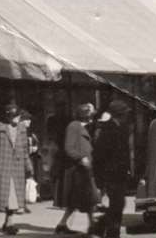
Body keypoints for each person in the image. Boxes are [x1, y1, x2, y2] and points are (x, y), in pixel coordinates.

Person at [0, 103, 33, 236]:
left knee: (14, 196)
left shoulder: (22, 129)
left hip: (18, 166)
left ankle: (8, 222)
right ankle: (9, 223)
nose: (16, 119)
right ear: (8, 116)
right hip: (4, 165)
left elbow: (25, 150)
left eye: (17, 116)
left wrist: (29, 166)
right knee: (8, 195)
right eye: (14, 116)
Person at [92, 100, 133, 238]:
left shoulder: (119, 127)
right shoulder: (109, 130)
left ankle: (103, 226)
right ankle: (111, 233)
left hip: (119, 174)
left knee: (119, 203)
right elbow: (99, 155)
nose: (127, 116)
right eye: (125, 114)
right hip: (112, 174)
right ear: (119, 114)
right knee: (118, 204)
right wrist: (100, 178)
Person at [54, 103, 96, 236]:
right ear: (85, 114)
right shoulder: (74, 126)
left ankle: (63, 224)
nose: (92, 116)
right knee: (87, 198)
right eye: (90, 114)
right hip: (77, 170)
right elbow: (69, 148)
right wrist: (81, 158)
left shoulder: (84, 127)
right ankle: (92, 225)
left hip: (84, 170)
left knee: (80, 200)